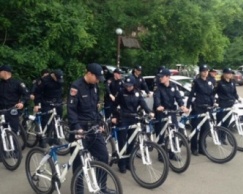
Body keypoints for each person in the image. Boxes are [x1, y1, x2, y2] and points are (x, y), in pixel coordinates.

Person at [67, 63, 115, 194]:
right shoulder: (76, 87)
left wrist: (100, 123)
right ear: (89, 74)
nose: (98, 80)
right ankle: (79, 191)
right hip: (80, 130)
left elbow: (95, 108)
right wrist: (77, 128)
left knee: (103, 156)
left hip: (93, 128)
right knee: (78, 165)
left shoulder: (95, 87)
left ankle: (101, 187)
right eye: (97, 77)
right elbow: (71, 110)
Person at [112, 75, 154, 173]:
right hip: (123, 119)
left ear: (133, 85)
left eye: (130, 86)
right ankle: (121, 164)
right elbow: (114, 105)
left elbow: (143, 103)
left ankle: (129, 163)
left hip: (134, 119)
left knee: (131, 143)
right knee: (122, 142)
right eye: (126, 85)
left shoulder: (137, 93)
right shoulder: (121, 93)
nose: (128, 87)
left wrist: (149, 112)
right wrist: (115, 116)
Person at [153, 68, 189, 161]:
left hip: (171, 112)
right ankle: (161, 155)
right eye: (160, 77)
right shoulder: (158, 87)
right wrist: (159, 106)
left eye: (162, 76)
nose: (160, 78)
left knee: (174, 134)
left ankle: (172, 153)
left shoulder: (173, 86)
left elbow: (178, 98)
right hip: (161, 113)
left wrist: (182, 106)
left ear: (168, 77)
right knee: (160, 134)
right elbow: (156, 98)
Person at [187, 64, 215, 156]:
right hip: (198, 107)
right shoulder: (196, 82)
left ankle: (202, 147)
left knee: (205, 129)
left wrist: (213, 103)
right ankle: (194, 148)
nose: (205, 72)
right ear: (200, 72)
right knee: (196, 128)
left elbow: (211, 94)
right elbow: (191, 94)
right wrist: (188, 106)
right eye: (203, 71)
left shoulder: (209, 82)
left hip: (207, 108)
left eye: (207, 71)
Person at [33, 69, 64, 147]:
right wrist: (37, 104)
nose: (58, 80)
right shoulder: (44, 80)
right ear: (53, 75)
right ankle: (42, 140)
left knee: (58, 120)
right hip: (46, 103)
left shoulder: (59, 80)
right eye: (57, 78)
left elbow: (60, 91)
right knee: (45, 121)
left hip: (57, 102)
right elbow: (38, 93)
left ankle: (56, 138)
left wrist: (61, 101)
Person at [0, 65, 30, 134]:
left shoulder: (17, 83)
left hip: (12, 110)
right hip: (1, 111)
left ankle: (13, 144)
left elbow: (26, 94)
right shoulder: (0, 84)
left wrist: (22, 102)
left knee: (13, 132)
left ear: (4, 72)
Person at [215, 68, 239, 144]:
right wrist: (214, 101)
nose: (230, 74)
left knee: (226, 122)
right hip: (222, 104)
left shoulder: (232, 82)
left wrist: (238, 98)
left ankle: (223, 138)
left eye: (231, 73)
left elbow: (234, 93)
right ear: (224, 74)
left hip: (230, 104)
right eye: (228, 73)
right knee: (220, 122)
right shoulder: (219, 83)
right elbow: (213, 92)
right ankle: (218, 138)